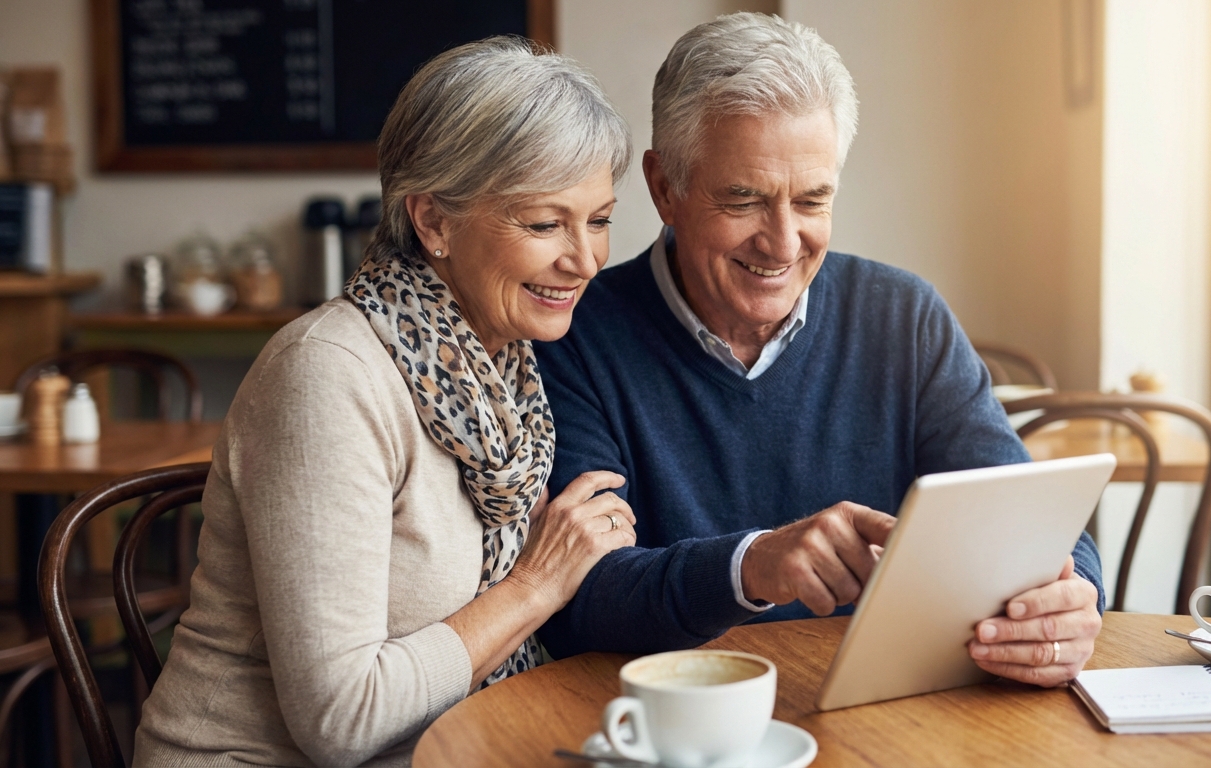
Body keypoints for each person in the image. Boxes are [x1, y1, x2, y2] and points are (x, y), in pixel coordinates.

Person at [534, 12, 1104, 687]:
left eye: (811, 200)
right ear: (665, 189)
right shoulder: (574, 334)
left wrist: (1072, 601)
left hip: (884, 716)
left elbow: (1028, 521)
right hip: (672, 730)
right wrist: (750, 565)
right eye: (744, 200)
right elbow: (578, 597)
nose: (781, 242)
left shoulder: (905, 317)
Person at [135, 38, 636, 767]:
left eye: (598, 219)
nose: (585, 259)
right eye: (543, 223)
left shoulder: (505, 368)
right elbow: (342, 721)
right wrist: (535, 584)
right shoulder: (327, 376)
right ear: (433, 222)